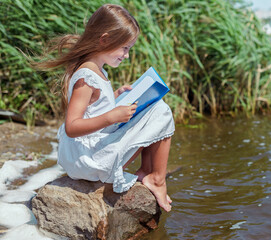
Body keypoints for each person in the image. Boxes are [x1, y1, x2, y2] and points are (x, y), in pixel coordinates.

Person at [34, 4, 174, 212]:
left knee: (153, 107)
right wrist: (111, 116)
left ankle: (146, 170)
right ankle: (157, 179)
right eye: (125, 48)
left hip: (91, 153)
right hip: (89, 160)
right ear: (105, 39)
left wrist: (116, 96)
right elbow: (72, 126)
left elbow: (93, 108)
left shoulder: (95, 70)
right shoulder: (86, 77)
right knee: (162, 112)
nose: (126, 55)